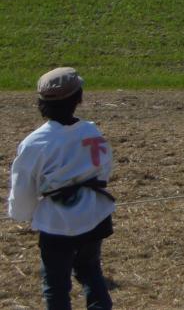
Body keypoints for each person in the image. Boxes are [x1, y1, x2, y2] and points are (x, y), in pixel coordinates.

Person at [9, 67, 115, 310]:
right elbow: (103, 169)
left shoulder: (35, 142)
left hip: (56, 223)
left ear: (40, 103)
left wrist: (23, 214)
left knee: (55, 285)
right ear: (79, 98)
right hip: (94, 214)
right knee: (90, 272)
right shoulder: (92, 131)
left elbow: (23, 184)